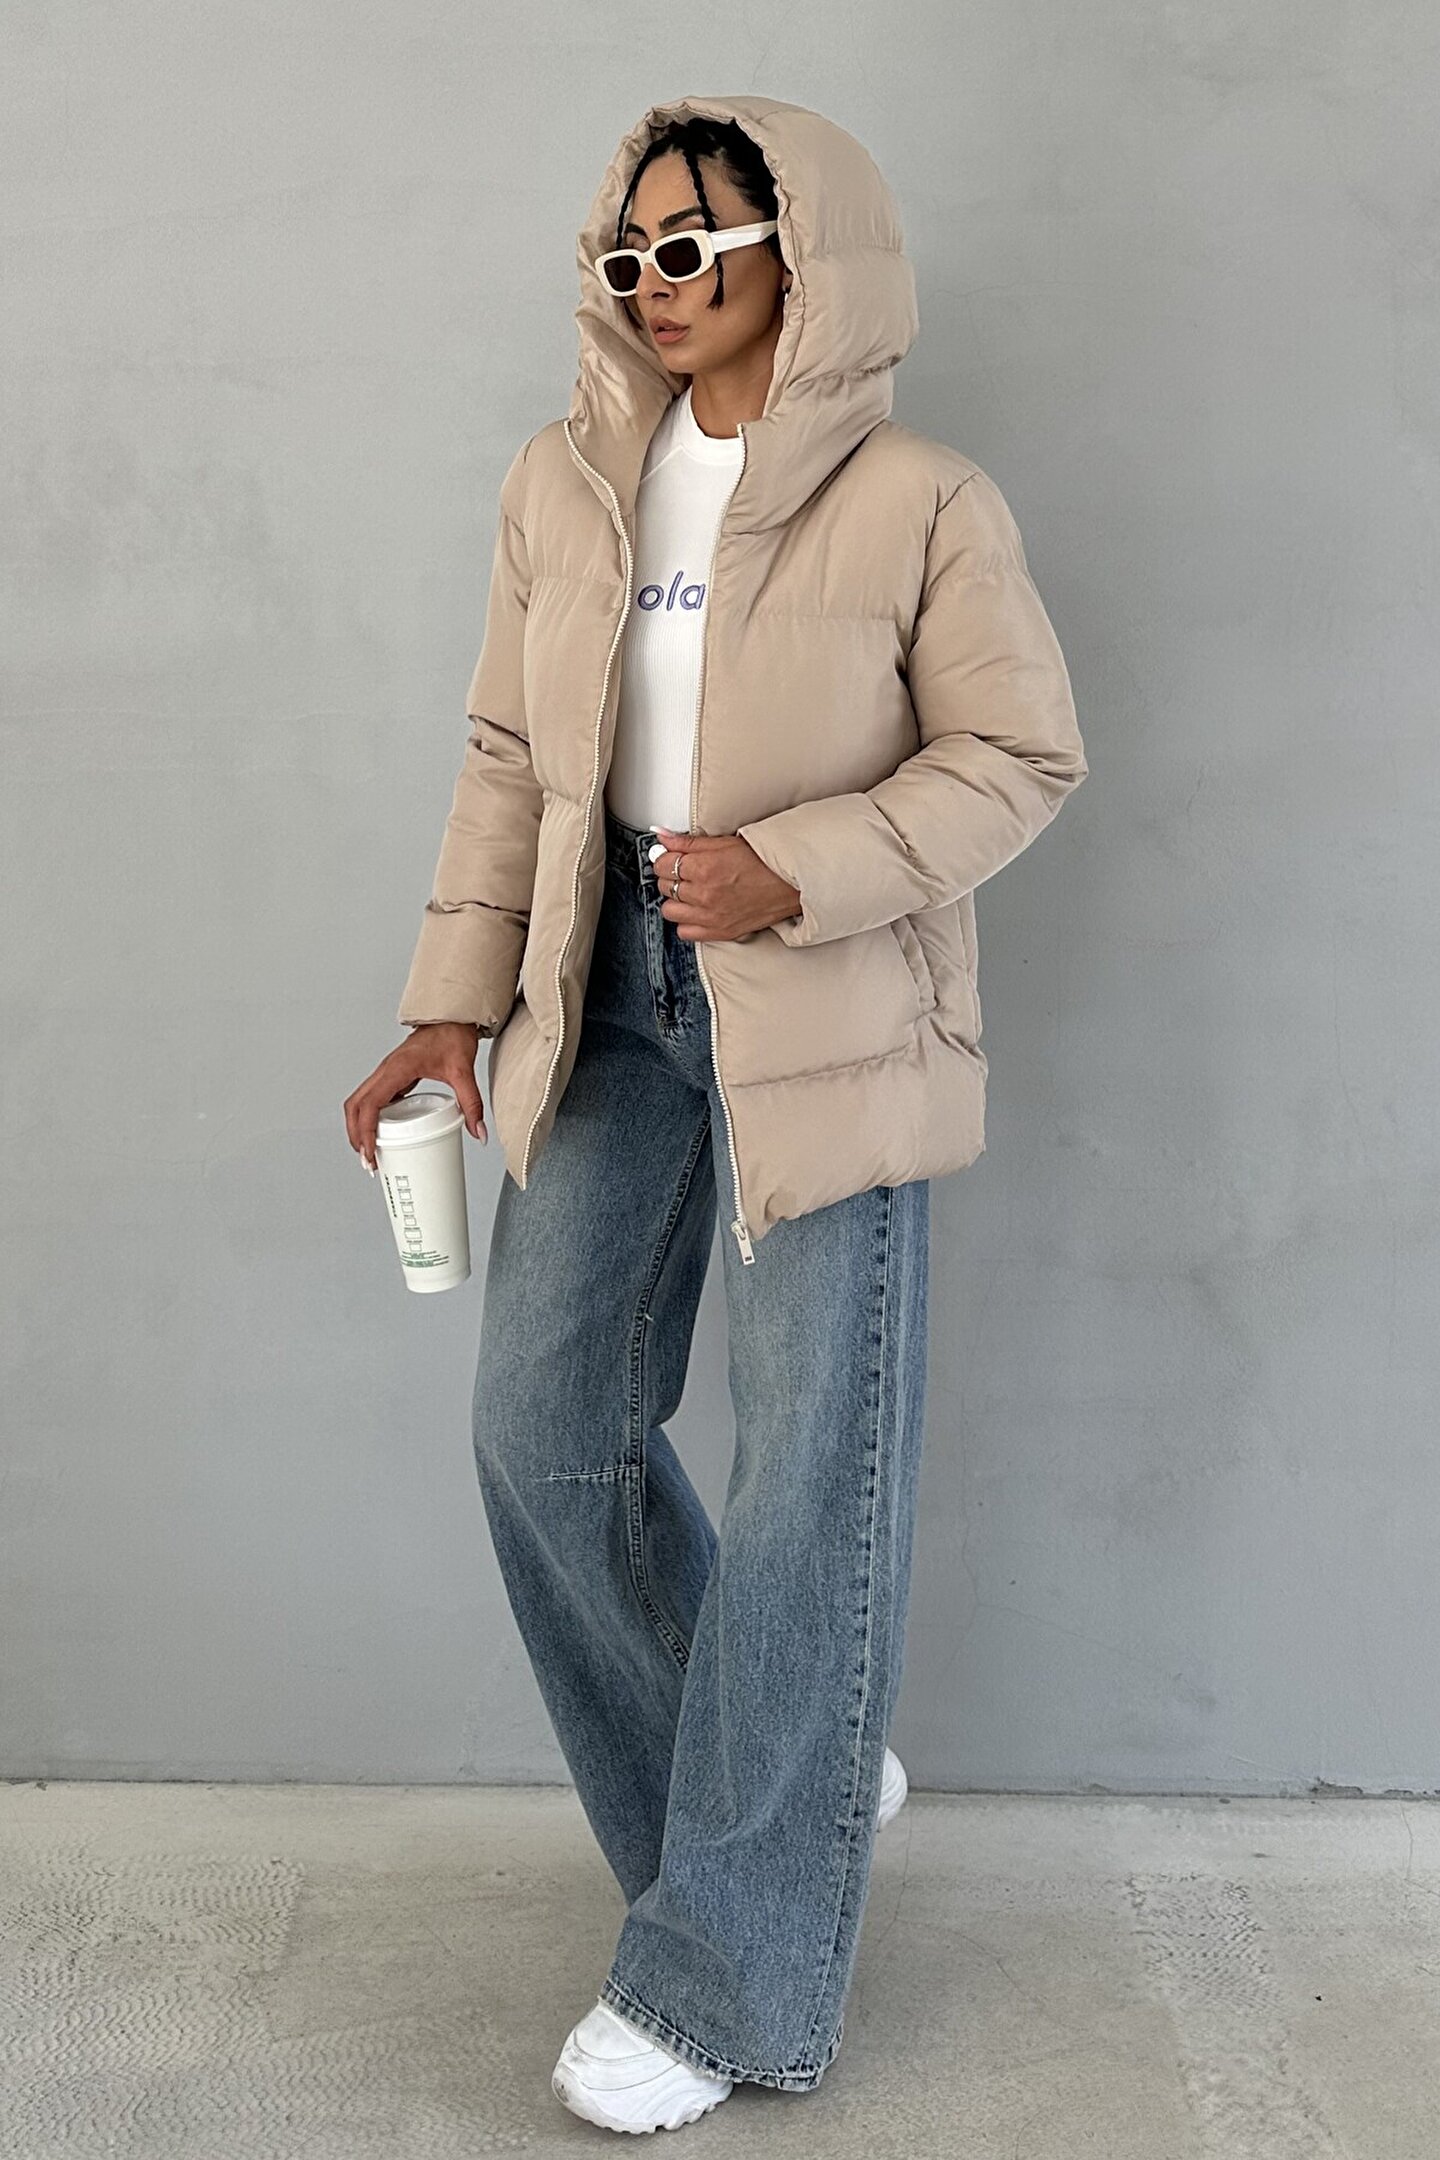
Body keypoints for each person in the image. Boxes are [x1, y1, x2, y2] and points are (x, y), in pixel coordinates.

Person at [343, 93, 1087, 2135]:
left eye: (693, 246)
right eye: (630, 253)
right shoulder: (566, 483)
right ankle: (794, 1785)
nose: (654, 284)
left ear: (798, 252)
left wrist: (798, 869)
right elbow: (508, 756)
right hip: (604, 989)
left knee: (806, 1479)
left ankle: (724, 1978)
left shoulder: (922, 501)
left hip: (824, 1000)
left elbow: (1022, 755)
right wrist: (447, 1005)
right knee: (542, 1431)